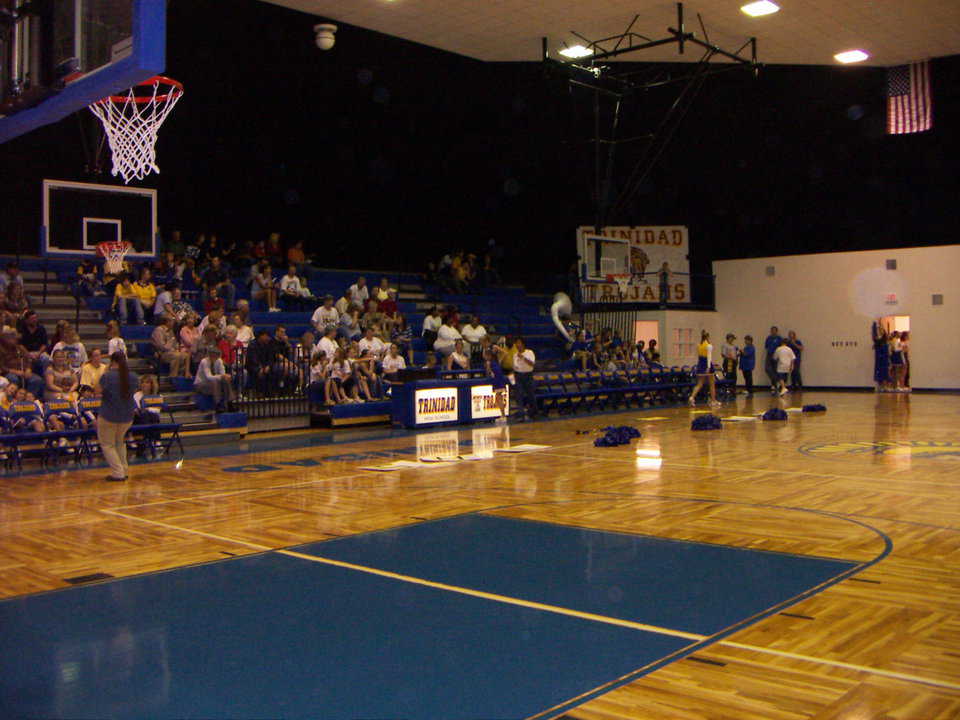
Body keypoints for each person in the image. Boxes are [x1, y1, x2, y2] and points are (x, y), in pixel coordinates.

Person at [98, 351, 138, 481]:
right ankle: (124, 469)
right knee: (119, 442)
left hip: (109, 414)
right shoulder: (133, 376)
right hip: (127, 415)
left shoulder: (107, 376)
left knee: (107, 444)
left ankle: (118, 472)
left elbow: (97, 391)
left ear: (112, 361)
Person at [688, 331, 719, 408]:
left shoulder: (699, 345)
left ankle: (691, 397)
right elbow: (709, 357)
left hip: (700, 364)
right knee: (712, 383)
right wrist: (708, 367)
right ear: (708, 337)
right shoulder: (709, 345)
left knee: (699, 384)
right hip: (707, 365)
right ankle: (713, 401)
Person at [513, 337, 537, 419]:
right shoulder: (515, 355)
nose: (517, 345)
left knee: (531, 395)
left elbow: (532, 364)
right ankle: (521, 414)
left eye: (519, 343)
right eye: (516, 343)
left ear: (523, 344)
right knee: (519, 395)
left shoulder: (529, 352)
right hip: (519, 375)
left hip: (528, 375)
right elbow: (515, 367)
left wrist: (523, 358)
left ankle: (533, 412)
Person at [484, 345, 509, 423]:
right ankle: (502, 415)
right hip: (499, 381)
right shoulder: (497, 361)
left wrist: (497, 348)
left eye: (486, 355)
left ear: (488, 355)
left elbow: (488, 372)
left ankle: (503, 416)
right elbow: (505, 353)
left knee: (499, 398)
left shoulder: (490, 362)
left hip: (497, 382)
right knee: (498, 399)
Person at [872, 321, 891, 392]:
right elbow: (874, 335)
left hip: (884, 360)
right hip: (881, 360)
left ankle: (884, 386)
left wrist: (881, 326)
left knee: (885, 373)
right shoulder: (878, 342)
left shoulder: (885, 342)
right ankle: (881, 386)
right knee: (881, 373)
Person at [763, 326, 782, 394]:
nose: (773, 332)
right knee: (767, 369)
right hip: (769, 354)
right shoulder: (768, 338)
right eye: (772, 330)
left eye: (774, 330)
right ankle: (776, 381)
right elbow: (766, 346)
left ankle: (774, 385)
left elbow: (781, 347)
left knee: (775, 369)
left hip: (776, 355)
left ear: (776, 331)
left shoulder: (779, 338)